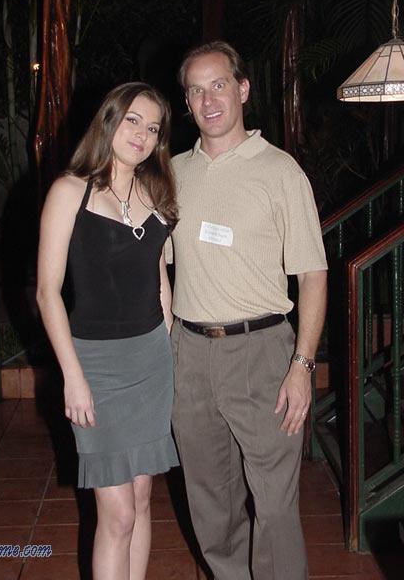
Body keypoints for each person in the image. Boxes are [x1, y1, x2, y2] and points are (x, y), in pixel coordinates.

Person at [169, 41, 328, 580]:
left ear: (242, 89)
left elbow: (312, 275)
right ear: (187, 102)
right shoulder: (171, 174)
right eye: (196, 90)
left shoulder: (281, 172)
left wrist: (302, 366)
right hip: (190, 355)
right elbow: (152, 265)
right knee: (210, 503)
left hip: (262, 354)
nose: (208, 100)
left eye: (218, 85)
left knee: (275, 505)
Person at [36, 82, 179, 580]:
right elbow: (47, 293)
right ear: (110, 119)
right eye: (132, 120)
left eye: (153, 128)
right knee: (116, 513)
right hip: (96, 366)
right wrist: (73, 377)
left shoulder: (155, 192)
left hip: (151, 363)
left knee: (141, 499)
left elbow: (159, 280)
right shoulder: (70, 191)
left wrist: (169, 351)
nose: (142, 134)